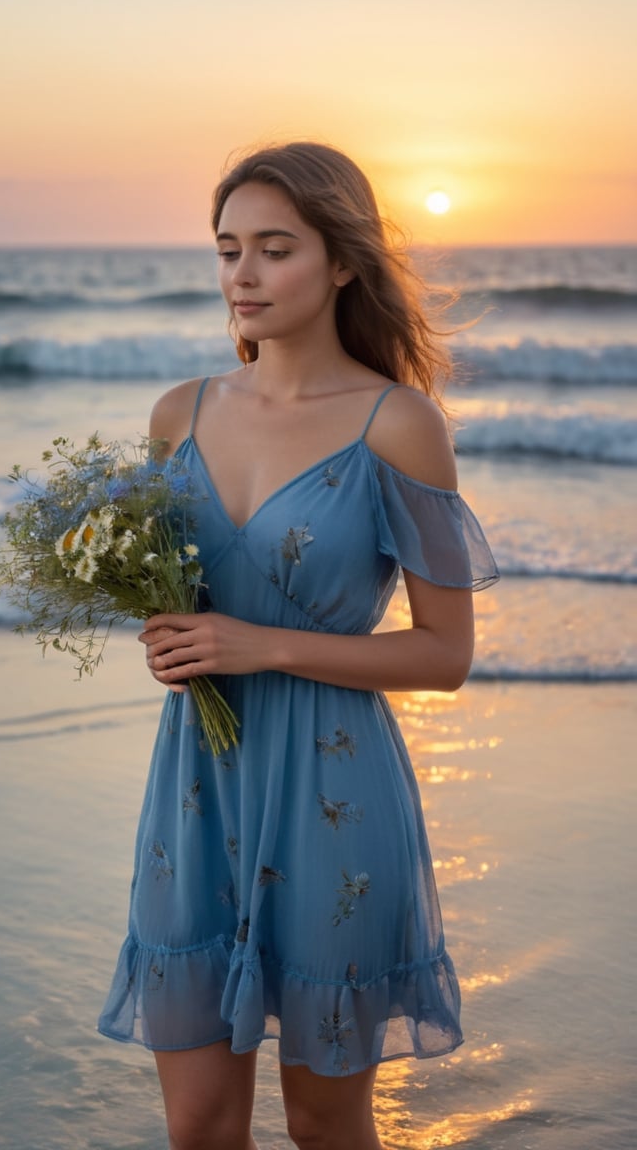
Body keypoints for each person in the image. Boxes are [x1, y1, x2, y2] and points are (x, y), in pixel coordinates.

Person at [97, 141, 499, 1150]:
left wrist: (256, 643)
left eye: (274, 248)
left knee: (327, 1126)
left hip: (334, 794)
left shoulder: (397, 424)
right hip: (196, 791)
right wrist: (168, 635)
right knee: (197, 1126)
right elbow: (177, 599)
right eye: (228, 247)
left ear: (343, 263)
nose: (242, 273)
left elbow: (443, 654)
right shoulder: (177, 415)